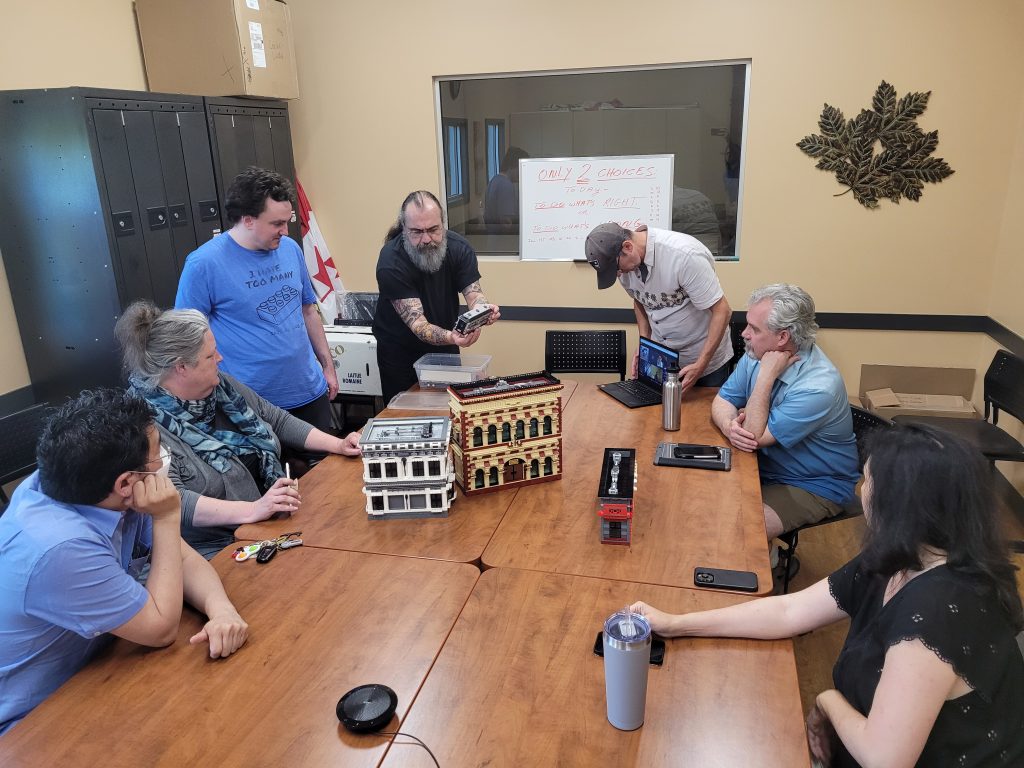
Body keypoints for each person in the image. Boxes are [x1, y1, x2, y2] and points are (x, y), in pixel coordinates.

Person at [630, 425, 1024, 767]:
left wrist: (827, 700)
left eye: (868, 480)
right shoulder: (902, 557)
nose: (860, 488)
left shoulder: (938, 610)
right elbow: (789, 610)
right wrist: (676, 624)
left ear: (902, 506)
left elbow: (884, 759)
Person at [0, 389, 250, 734]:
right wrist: (166, 517)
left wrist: (222, 611)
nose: (164, 459)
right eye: (157, 454)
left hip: (101, 664)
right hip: (32, 722)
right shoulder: (59, 546)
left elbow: (180, 557)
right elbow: (160, 629)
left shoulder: (98, 487)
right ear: (126, 483)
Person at [115, 301, 362, 558]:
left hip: (263, 523)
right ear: (181, 367)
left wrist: (338, 444)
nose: (220, 359)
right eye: (210, 356)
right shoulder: (143, 423)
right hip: (208, 549)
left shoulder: (221, 387)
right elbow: (175, 500)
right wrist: (253, 509)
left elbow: (276, 419)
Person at [175, 167, 338, 434]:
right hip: (250, 406)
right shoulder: (203, 264)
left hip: (309, 392)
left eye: (288, 221)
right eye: (276, 224)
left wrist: (328, 367)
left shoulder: (291, 249)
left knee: (324, 473)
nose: (285, 231)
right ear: (247, 220)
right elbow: (186, 338)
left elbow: (308, 311)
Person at [712, 283, 859, 541]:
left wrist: (766, 377)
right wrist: (729, 426)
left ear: (782, 338)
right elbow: (722, 400)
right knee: (704, 502)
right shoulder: (757, 351)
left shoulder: (819, 387)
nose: (744, 334)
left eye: (754, 329)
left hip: (812, 484)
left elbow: (753, 438)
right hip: (765, 466)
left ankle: (768, 565)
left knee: (738, 529)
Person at [373, 190, 500, 403]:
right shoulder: (390, 262)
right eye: (416, 232)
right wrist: (452, 336)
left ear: (443, 224)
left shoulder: (459, 249)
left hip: (446, 344)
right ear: (404, 229)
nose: (426, 239)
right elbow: (419, 326)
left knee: (451, 406)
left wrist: (482, 311)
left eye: (433, 230)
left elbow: (473, 292)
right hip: (400, 352)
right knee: (404, 414)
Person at [585, 221, 733, 393]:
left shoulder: (684, 256)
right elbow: (639, 298)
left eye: (617, 268)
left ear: (627, 247)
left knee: (702, 415)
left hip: (704, 359)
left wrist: (701, 364)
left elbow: (722, 310)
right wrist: (644, 343)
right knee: (658, 415)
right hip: (663, 358)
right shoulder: (626, 266)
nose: (619, 274)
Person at [484, 146, 528, 234]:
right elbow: (507, 224)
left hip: (493, 238)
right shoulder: (506, 185)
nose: (523, 173)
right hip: (504, 239)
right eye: (521, 168)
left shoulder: (494, 180)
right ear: (513, 166)